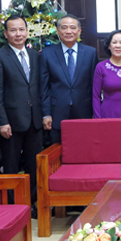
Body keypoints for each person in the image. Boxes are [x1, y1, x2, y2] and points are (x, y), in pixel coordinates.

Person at [0, 15, 43, 205]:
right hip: (11, 121)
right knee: (10, 165)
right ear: (6, 34)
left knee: (34, 165)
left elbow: (39, 88)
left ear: (27, 32)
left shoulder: (35, 56)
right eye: (13, 30)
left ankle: (33, 204)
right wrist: (2, 121)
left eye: (21, 29)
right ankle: (12, 205)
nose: (18, 34)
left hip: (34, 121)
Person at [41, 14, 99, 144]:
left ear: (79, 31)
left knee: (84, 151)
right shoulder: (47, 53)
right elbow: (43, 87)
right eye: (64, 28)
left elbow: (94, 86)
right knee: (57, 154)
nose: (68, 31)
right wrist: (46, 114)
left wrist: (96, 113)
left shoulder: (90, 53)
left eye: (72, 28)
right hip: (57, 114)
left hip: (84, 112)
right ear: (58, 31)